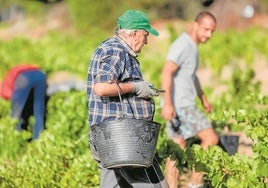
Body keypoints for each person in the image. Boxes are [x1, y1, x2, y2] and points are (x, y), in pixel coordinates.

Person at [87, 9, 169, 188]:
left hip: (106, 139)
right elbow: (101, 87)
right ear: (133, 34)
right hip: (124, 140)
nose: (146, 41)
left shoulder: (109, 48)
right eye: (145, 35)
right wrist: (136, 87)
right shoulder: (117, 51)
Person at [160, 11, 219, 188]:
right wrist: (168, 103)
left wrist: (203, 98)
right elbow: (166, 72)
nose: (208, 35)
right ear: (196, 25)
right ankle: (195, 184)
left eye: (212, 32)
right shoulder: (183, 45)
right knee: (211, 138)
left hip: (184, 104)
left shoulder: (193, 46)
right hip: (179, 105)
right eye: (206, 29)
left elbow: (192, 76)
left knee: (177, 148)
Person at [0, 64, 47, 140]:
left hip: (24, 77)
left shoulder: (3, 87)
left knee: (15, 112)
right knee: (39, 109)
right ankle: (38, 139)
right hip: (40, 75)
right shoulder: (9, 76)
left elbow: (14, 99)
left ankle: (15, 138)